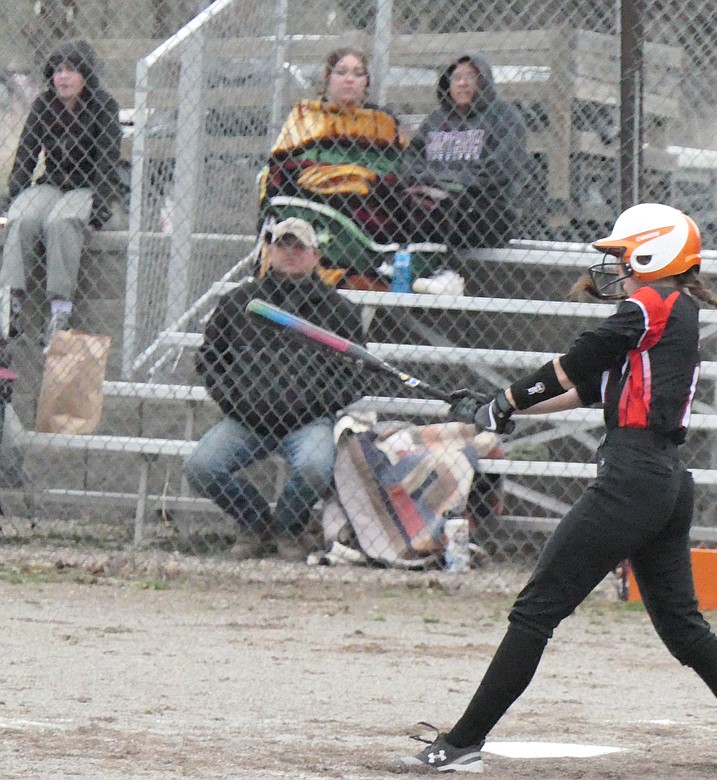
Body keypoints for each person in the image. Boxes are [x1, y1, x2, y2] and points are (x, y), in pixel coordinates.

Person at [396, 203, 717, 774]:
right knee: (686, 632)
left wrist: (507, 399)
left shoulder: (654, 302)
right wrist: (504, 412)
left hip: (632, 481)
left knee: (536, 611)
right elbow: (592, 388)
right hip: (665, 480)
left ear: (654, 254)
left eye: (623, 255)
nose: (615, 266)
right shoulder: (670, 311)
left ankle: (463, 742)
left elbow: (573, 363)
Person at [183, 217, 366, 562]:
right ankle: (255, 525)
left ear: (315, 255)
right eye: (282, 245)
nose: (290, 253)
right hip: (248, 420)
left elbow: (356, 374)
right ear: (268, 250)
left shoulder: (338, 310)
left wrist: (315, 403)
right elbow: (209, 358)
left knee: (315, 466)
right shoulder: (240, 302)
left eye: (299, 246)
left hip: (309, 421)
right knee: (202, 467)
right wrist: (234, 399)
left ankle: (288, 527)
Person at [0, 38, 121, 347]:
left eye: (71, 70)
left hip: (86, 186)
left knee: (60, 222)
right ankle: (8, 307)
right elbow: (27, 154)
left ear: (86, 74)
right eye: (57, 71)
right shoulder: (44, 104)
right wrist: (12, 198)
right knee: (23, 217)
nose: (63, 77)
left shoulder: (103, 106)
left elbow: (108, 161)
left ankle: (59, 313)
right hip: (53, 183)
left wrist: (100, 208)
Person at [261, 47, 409, 284]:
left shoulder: (384, 124)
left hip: (367, 207)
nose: (350, 79)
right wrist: (329, 177)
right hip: (312, 203)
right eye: (341, 72)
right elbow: (280, 168)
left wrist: (358, 178)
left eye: (358, 73)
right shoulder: (305, 117)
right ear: (326, 78)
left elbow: (399, 174)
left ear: (366, 82)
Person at [402, 53, 528, 249]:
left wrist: (449, 183)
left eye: (470, 77)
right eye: (456, 78)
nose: (462, 83)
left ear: (484, 82)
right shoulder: (435, 120)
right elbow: (412, 159)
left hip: (485, 210)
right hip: (435, 201)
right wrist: (433, 184)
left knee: (450, 204)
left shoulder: (504, 117)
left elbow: (500, 169)